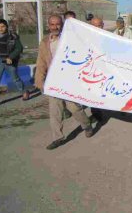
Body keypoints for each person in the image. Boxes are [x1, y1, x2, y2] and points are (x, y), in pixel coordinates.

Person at [35, 16, 93, 150]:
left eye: (58, 24)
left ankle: (86, 125)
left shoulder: (69, 39)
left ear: (62, 25)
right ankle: (58, 137)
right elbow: (41, 63)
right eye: (52, 24)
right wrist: (40, 82)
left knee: (74, 108)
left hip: (68, 80)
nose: (55, 27)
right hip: (53, 81)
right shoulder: (44, 42)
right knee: (55, 110)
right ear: (48, 25)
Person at [0, 19, 29, 105]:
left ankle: (24, 91)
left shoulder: (12, 36)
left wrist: (11, 57)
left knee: (15, 78)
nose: (1, 29)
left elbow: (19, 48)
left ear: (6, 27)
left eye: (3, 27)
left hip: (9, 60)